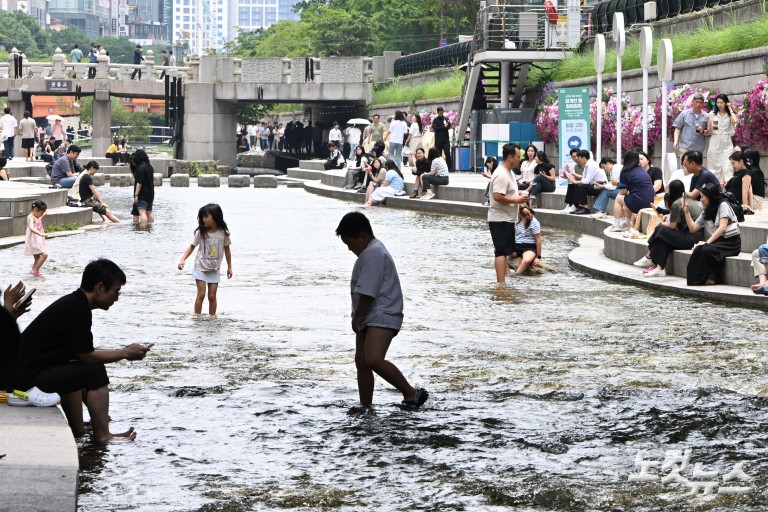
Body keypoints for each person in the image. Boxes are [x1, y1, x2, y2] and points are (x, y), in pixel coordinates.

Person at [8, 259, 150, 442]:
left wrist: (123, 351)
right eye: (116, 291)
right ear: (100, 287)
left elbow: (80, 353)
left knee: (75, 367)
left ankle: (79, 430)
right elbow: (87, 356)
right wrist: (125, 353)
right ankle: (103, 436)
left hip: (20, 375)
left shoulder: (74, 304)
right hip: (22, 381)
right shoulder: (77, 309)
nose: (116, 298)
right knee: (95, 370)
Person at [335, 211, 429, 409]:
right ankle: (365, 406)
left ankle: (411, 392)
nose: (349, 249)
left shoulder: (374, 253)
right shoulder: (371, 252)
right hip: (371, 315)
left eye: (349, 243)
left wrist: (357, 316)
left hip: (382, 313)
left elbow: (368, 292)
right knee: (361, 361)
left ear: (362, 237)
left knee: (374, 359)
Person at [633, 180, 703, 277]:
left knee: (660, 229)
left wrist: (661, 223)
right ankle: (660, 268)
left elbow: (672, 226)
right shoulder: (686, 199)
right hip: (696, 237)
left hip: (691, 238)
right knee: (664, 239)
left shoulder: (676, 204)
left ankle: (649, 256)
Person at [178, 204, 233, 316]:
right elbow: (192, 246)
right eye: (202, 217)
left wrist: (229, 267)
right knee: (201, 294)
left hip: (214, 269)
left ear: (215, 217)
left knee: (212, 296)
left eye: (206, 216)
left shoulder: (223, 233)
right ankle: (197, 318)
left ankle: (212, 319)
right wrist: (183, 259)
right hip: (200, 267)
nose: (203, 219)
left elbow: (227, 250)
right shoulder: (201, 232)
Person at [684, 182, 742, 285]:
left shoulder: (723, 205)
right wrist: (686, 213)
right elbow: (693, 228)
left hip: (731, 243)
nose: (700, 200)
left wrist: (707, 242)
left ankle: (712, 275)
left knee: (706, 249)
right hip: (718, 241)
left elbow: (722, 227)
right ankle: (695, 278)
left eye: (702, 197)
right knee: (698, 250)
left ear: (709, 197)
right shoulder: (706, 210)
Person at [488, 143, 527, 283]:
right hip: (500, 218)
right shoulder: (501, 174)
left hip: (506, 218)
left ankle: (502, 280)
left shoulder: (508, 172)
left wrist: (519, 200)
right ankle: (501, 283)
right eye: (518, 157)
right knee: (500, 251)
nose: (520, 159)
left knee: (504, 251)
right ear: (509, 157)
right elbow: (498, 196)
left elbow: (507, 193)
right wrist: (516, 199)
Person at [610, 150, 656, 232]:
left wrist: (620, 195)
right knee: (627, 197)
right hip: (650, 202)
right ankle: (627, 223)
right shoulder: (642, 170)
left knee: (618, 198)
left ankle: (617, 224)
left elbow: (623, 191)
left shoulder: (625, 171)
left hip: (639, 202)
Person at [706, 94, 738, 184]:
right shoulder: (712, 114)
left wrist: (730, 108)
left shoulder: (730, 114)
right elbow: (708, 132)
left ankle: (729, 189)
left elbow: (735, 121)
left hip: (727, 143)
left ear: (726, 103)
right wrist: (710, 128)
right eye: (717, 102)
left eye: (721, 103)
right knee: (714, 166)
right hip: (715, 141)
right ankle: (716, 188)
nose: (719, 105)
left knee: (728, 166)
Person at [568, 150, 607, 215]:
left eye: (578, 158)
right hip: (595, 185)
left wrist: (574, 181)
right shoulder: (587, 165)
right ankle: (577, 206)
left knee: (581, 186)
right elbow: (583, 178)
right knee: (577, 185)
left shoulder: (591, 165)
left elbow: (586, 181)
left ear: (583, 157)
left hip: (600, 187)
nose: (577, 160)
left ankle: (585, 207)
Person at [673, 92, 708, 159]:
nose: (698, 104)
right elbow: (677, 128)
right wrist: (675, 141)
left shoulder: (706, 116)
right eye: (697, 102)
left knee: (696, 169)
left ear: (703, 104)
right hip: (685, 147)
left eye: (700, 102)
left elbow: (709, 132)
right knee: (685, 168)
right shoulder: (684, 113)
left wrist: (703, 131)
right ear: (693, 102)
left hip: (698, 149)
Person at [509, 205, 543, 275]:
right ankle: (507, 273)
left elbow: (538, 240)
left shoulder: (534, 222)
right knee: (499, 251)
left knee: (526, 260)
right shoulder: (517, 221)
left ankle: (516, 275)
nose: (526, 217)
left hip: (529, 247)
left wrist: (538, 257)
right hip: (517, 245)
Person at [130, 149, 155, 224]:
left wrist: (136, 194)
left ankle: (143, 229)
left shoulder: (141, 168)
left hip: (142, 194)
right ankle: (150, 226)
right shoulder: (149, 167)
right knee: (149, 212)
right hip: (150, 193)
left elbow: (139, 183)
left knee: (142, 212)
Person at [24, 200, 48, 276]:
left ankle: (33, 271)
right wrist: (41, 234)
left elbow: (38, 221)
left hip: (37, 240)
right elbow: (31, 227)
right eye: (41, 212)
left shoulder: (36, 216)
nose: (41, 214)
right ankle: (35, 270)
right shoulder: (31, 217)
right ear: (35, 210)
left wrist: (42, 215)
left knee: (37, 258)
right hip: (34, 240)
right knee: (44, 254)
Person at [431, 107, 452, 172]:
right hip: (438, 140)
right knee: (438, 154)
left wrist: (447, 126)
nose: (441, 114)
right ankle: (439, 168)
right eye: (439, 113)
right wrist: (443, 127)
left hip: (445, 140)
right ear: (437, 112)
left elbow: (449, 126)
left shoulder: (446, 119)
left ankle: (449, 167)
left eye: (442, 112)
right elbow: (435, 128)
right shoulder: (435, 120)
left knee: (447, 153)